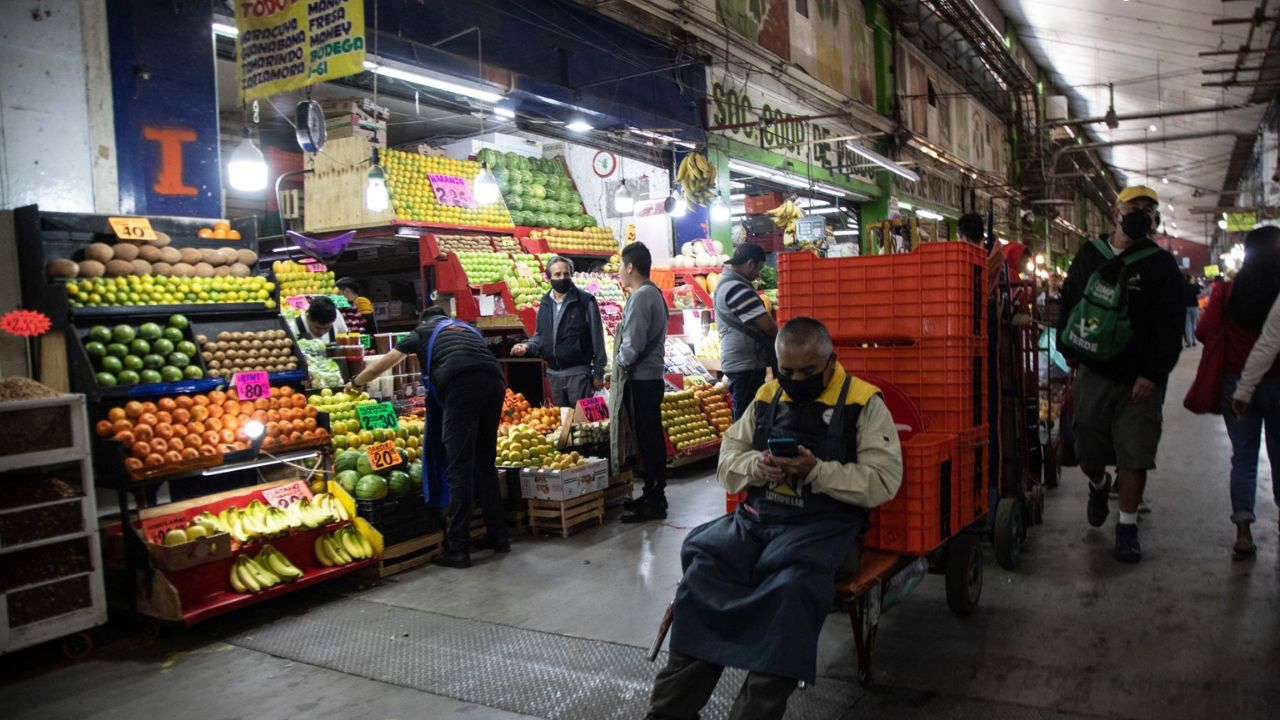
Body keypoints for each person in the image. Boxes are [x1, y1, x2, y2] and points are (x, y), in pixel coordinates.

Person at [643, 317, 903, 720]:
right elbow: (727, 462)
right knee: (703, 569)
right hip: (756, 522)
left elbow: (884, 482)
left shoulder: (864, 403)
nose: (796, 379)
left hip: (822, 531)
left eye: (808, 372)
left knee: (791, 589)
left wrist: (816, 471)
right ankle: (668, 713)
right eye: (787, 371)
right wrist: (755, 465)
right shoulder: (767, 396)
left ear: (831, 362)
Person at [1056, 185, 1184, 563]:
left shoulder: (1160, 265)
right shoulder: (1089, 255)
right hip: (1092, 374)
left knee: (1135, 454)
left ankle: (1127, 526)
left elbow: (1170, 323)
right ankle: (1099, 484)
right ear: (1116, 212)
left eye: (1149, 209)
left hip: (1138, 382)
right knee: (1087, 453)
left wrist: (1154, 373)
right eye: (1135, 207)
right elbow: (1069, 302)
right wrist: (1070, 353)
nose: (1141, 214)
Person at [348, 306, 508, 568]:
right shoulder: (466, 328)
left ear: (424, 320)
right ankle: (498, 535)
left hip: (461, 383)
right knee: (484, 463)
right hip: (494, 380)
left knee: (459, 468)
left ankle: (457, 548)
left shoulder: (423, 330)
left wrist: (356, 381)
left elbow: (387, 361)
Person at [1199, 227, 1280, 557]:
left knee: (1244, 457)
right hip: (1278, 382)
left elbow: (1203, 331)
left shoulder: (1228, 291)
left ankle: (1243, 532)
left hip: (1236, 384)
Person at [609, 242, 670, 523]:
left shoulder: (641, 296)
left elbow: (633, 343)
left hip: (643, 379)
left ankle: (655, 499)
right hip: (651, 377)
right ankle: (651, 492)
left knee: (649, 439)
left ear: (630, 267)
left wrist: (619, 364)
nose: (620, 271)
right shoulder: (653, 293)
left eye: (621, 266)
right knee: (650, 437)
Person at [510, 256, 607, 407]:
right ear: (549, 278)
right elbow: (540, 336)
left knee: (581, 425)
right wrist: (527, 346)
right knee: (561, 423)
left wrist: (599, 373)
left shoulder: (585, 301)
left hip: (578, 374)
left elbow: (598, 338)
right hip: (554, 375)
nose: (562, 278)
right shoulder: (545, 302)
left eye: (566, 274)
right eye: (557, 275)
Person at [714, 243, 778, 420]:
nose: (758, 274)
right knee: (746, 419)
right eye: (759, 268)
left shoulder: (727, 284)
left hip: (741, 362)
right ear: (750, 264)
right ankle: (743, 448)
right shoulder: (737, 288)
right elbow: (769, 327)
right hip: (745, 365)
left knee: (746, 415)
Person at [1183, 274, 1202, 348]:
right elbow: (1199, 296)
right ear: (1190, 279)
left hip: (1185, 307)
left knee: (1187, 325)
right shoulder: (1195, 287)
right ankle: (1194, 341)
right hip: (1194, 306)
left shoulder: (1182, 287)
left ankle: (1189, 342)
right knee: (1194, 324)